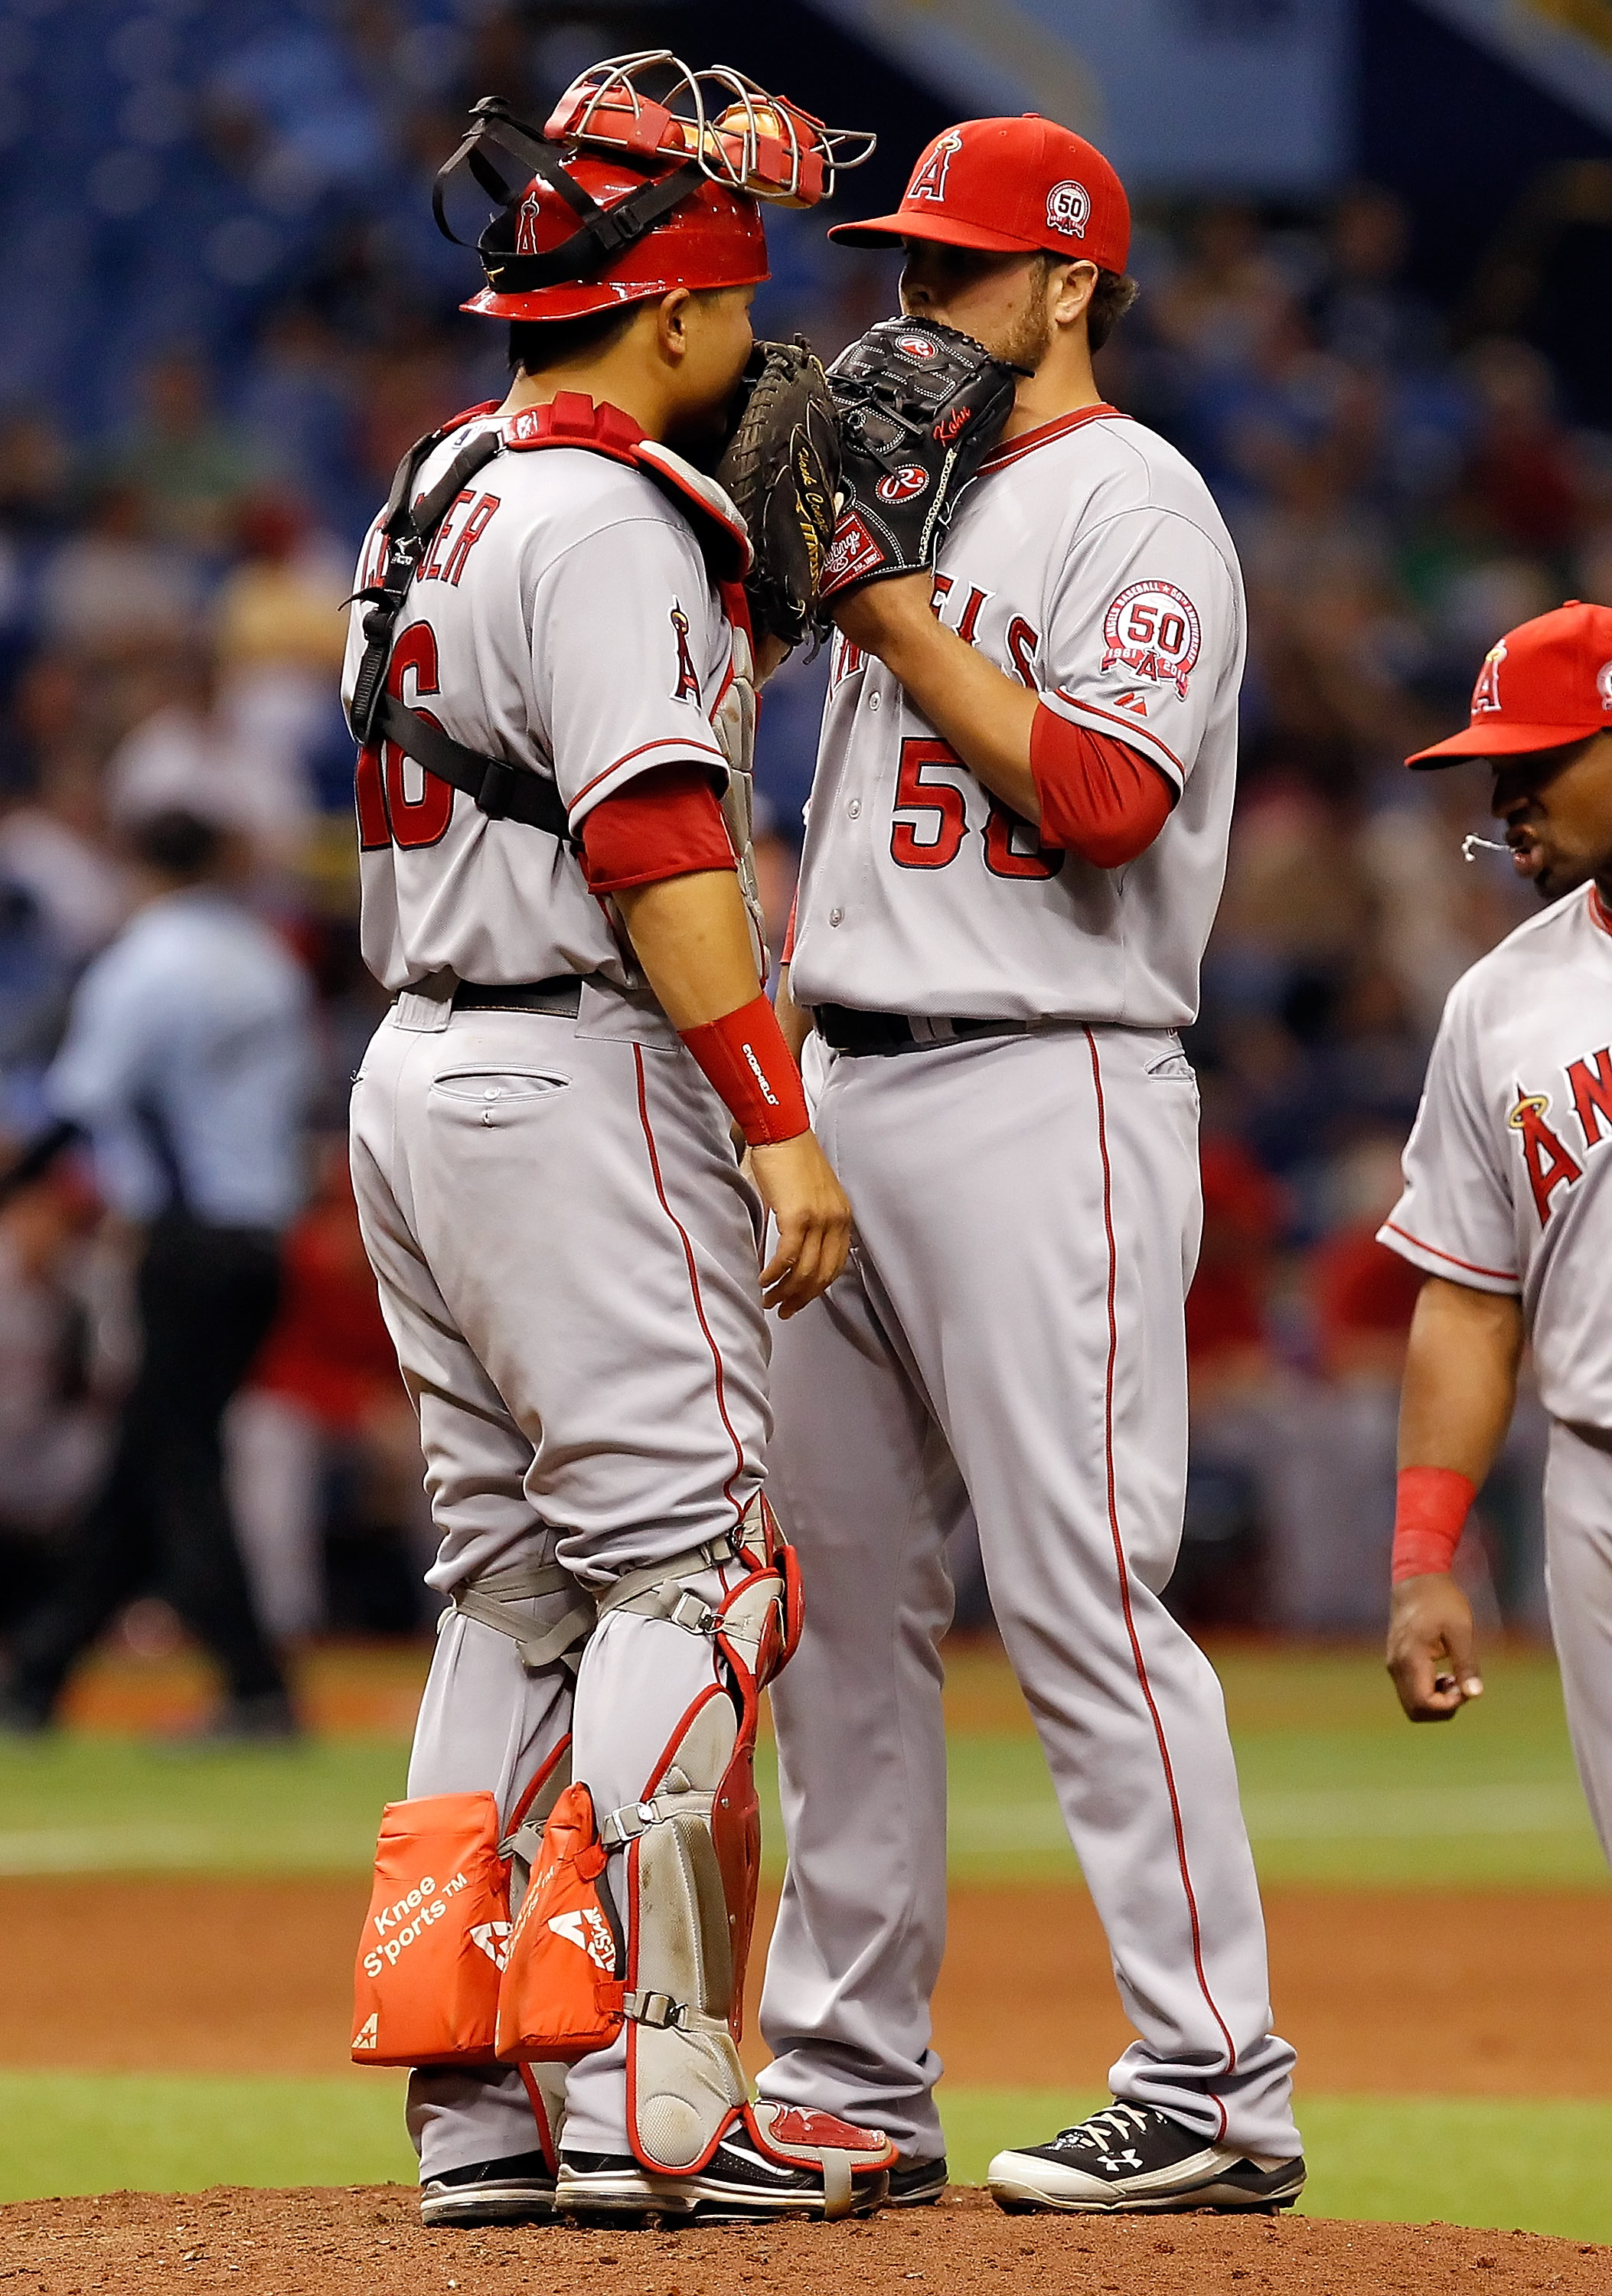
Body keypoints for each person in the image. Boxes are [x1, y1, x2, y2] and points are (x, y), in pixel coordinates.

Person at [341, 59, 892, 2232]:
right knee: (698, 1572)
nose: (755, 352)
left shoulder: (443, 479)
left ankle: (477, 2107)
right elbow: (655, 828)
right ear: (669, 313)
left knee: (511, 1593)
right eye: (737, 310)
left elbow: (523, 742)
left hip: (418, 1075)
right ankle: (651, 2096)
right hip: (578, 1075)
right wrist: (777, 1130)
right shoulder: (609, 518)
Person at [755, 114, 1305, 2214]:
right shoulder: (918, 496)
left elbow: (1089, 793)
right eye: (902, 268)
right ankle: (843, 2078)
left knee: (1079, 1591)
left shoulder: (1138, 506)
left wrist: (881, 607)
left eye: (960, 271)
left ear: (1074, 281)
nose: (914, 309)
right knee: (843, 1610)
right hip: (848, 1085)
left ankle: (1213, 2077)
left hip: (1045, 1082)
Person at [1379, 600, 1612, 1860]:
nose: (1504, 799)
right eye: (1491, 771)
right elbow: (1470, 1302)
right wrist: (1423, 1557)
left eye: (1539, 762)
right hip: (1593, 1478)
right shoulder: (1496, 1006)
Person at [0, 806, 313, 1737]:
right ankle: (42, 1674)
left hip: (183, 1237)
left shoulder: (149, 961)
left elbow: (80, 1101)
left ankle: (256, 1688)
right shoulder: (267, 962)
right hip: (260, 1236)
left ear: (141, 862)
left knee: (178, 1466)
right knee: (153, 1454)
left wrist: (12, 1184)